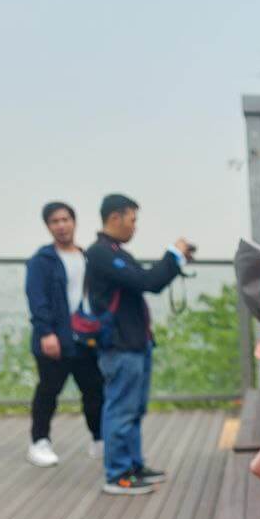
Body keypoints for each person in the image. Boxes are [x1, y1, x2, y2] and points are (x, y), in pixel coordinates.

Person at [85, 194, 194, 496]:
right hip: (120, 345)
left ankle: (133, 466)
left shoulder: (116, 251)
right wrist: (173, 255)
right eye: (132, 219)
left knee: (133, 409)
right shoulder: (101, 254)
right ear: (115, 217)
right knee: (121, 409)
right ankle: (118, 473)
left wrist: (176, 260)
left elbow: (147, 280)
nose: (135, 226)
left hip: (134, 342)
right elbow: (149, 282)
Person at [25, 201, 104, 467]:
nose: (61, 226)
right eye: (54, 221)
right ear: (48, 226)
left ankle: (99, 439)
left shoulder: (86, 256)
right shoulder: (42, 260)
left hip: (85, 338)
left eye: (65, 220)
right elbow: (37, 299)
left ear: (74, 222)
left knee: (94, 390)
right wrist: (46, 332)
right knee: (48, 390)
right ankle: (39, 442)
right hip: (55, 339)